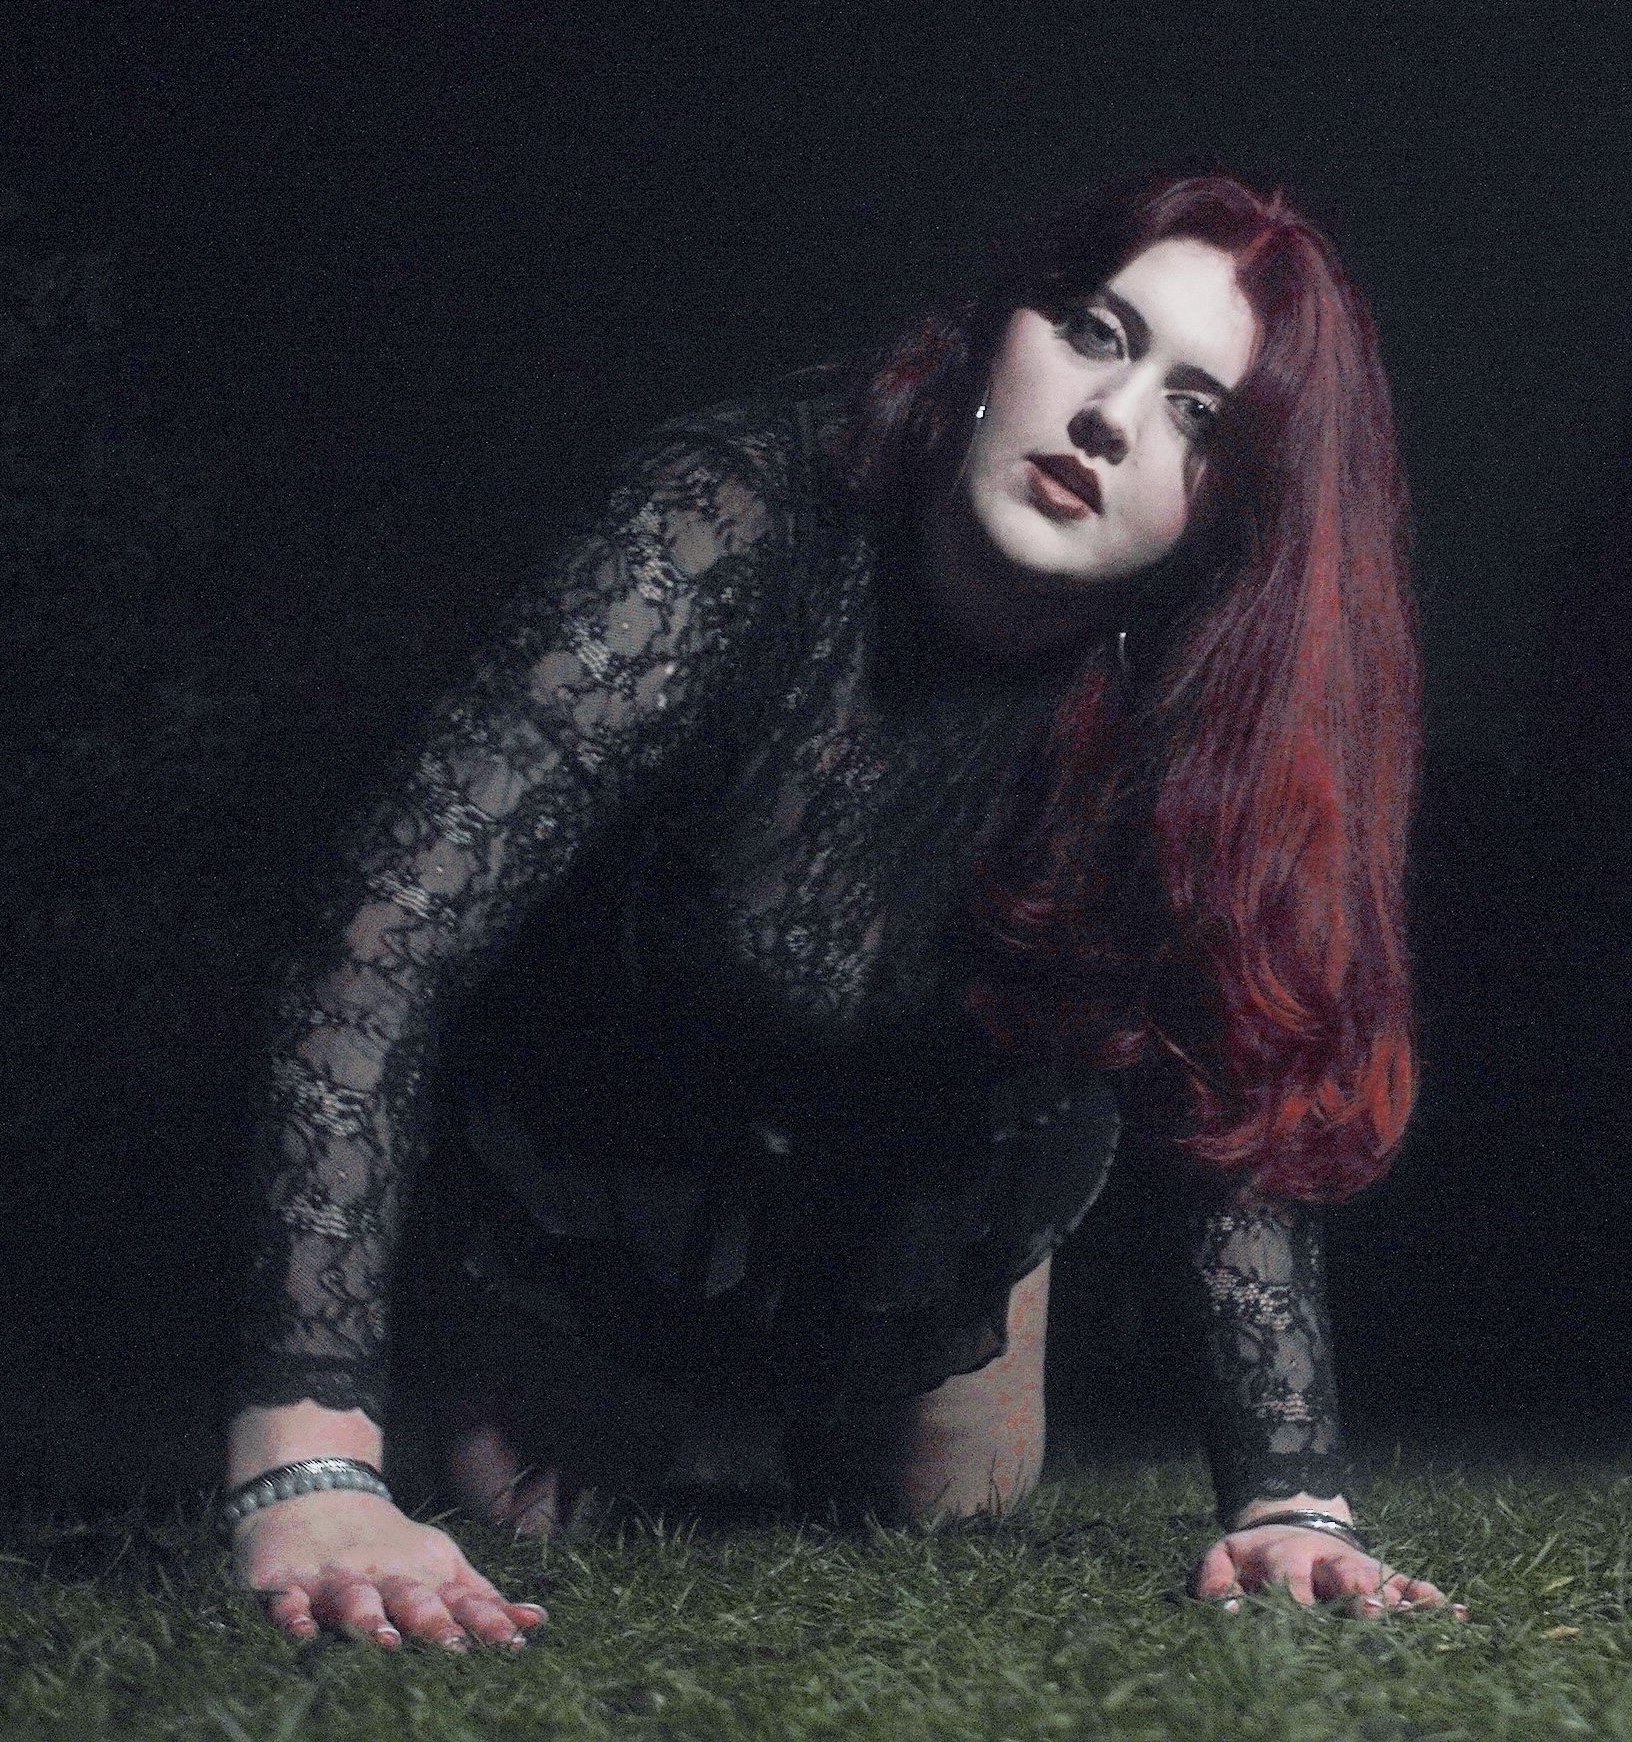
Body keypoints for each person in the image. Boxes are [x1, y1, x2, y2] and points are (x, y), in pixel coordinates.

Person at [221, 158, 1452, 1651]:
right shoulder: (735, 521)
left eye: (1199, 414)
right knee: (525, 1504)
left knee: (948, 1505)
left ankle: (920, 1333)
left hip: (928, 1169)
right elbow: (381, 933)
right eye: (1095, 334)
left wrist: (1289, 1500)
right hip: (624, 1141)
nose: (1108, 418)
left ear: (1231, 516)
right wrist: (309, 1460)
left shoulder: (1192, 702)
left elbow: (1232, 1080)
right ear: (1001, 332)